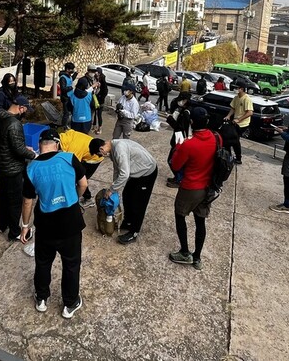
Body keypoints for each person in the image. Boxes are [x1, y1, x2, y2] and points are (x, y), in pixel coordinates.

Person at [20, 128, 88, 319]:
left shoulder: (31, 168)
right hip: (71, 223)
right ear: (57, 144)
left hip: (46, 226)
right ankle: (70, 303)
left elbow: (27, 201)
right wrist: (74, 198)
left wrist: (25, 226)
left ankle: (41, 299)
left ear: (40, 146)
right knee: (71, 264)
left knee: (43, 263)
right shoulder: (69, 158)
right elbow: (83, 184)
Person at [167, 107, 215, 270]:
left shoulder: (189, 144)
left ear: (192, 122)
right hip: (207, 187)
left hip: (190, 187)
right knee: (200, 222)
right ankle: (197, 257)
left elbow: (175, 164)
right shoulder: (215, 138)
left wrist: (179, 148)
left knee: (180, 215)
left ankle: (185, 252)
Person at [88, 138, 158, 245]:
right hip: (136, 172)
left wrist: (112, 189)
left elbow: (124, 174)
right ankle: (128, 222)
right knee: (127, 195)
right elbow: (117, 169)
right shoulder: (112, 148)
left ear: (101, 149)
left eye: (100, 154)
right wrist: (113, 188)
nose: (103, 155)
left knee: (138, 203)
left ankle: (134, 232)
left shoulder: (119, 149)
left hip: (147, 172)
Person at [0, 95, 37, 240]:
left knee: (3, 195)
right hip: (12, 168)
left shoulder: (0, 118)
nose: (24, 113)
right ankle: (14, 232)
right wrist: (34, 155)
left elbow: (8, 142)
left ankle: (2, 225)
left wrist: (24, 147)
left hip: (1, 164)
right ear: (21, 108)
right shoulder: (14, 123)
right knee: (15, 201)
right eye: (25, 110)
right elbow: (18, 149)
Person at [59, 129, 103, 208]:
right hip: (87, 149)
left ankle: (88, 199)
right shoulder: (64, 136)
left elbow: (74, 167)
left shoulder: (73, 150)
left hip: (94, 159)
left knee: (80, 178)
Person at [165, 91, 192, 188]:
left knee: (172, 160)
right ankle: (177, 177)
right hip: (180, 138)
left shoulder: (186, 113)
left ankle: (179, 179)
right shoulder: (183, 110)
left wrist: (170, 119)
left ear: (185, 100)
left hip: (181, 139)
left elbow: (180, 128)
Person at [224, 80, 253, 165]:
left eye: (237, 88)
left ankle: (238, 158)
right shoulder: (236, 97)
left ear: (242, 89)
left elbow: (250, 112)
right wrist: (228, 116)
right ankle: (228, 155)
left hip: (243, 124)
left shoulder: (246, 99)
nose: (235, 89)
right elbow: (233, 108)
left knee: (235, 140)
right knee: (229, 139)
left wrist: (239, 119)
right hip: (235, 122)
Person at [90, 65, 108, 134]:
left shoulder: (103, 82)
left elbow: (105, 91)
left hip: (100, 101)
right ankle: (94, 126)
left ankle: (100, 128)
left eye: (97, 73)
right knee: (94, 114)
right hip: (95, 99)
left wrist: (100, 97)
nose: (96, 75)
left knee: (99, 114)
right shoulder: (95, 80)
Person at [58, 62, 76, 128]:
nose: (73, 71)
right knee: (66, 113)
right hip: (65, 98)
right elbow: (63, 88)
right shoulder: (63, 78)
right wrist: (71, 87)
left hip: (70, 97)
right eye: (71, 69)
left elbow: (71, 80)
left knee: (71, 112)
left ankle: (68, 124)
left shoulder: (69, 76)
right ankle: (64, 127)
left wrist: (76, 73)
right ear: (67, 69)